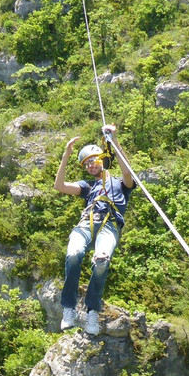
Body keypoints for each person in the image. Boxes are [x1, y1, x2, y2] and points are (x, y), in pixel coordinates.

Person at [53, 124, 136, 336]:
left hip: (109, 226)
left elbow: (127, 170)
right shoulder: (88, 186)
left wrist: (114, 141)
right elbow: (60, 186)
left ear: (103, 158)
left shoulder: (120, 183)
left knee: (101, 261)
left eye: (93, 161)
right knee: (73, 254)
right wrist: (66, 155)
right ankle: (69, 309)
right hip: (86, 225)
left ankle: (91, 311)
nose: (90, 166)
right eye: (86, 164)